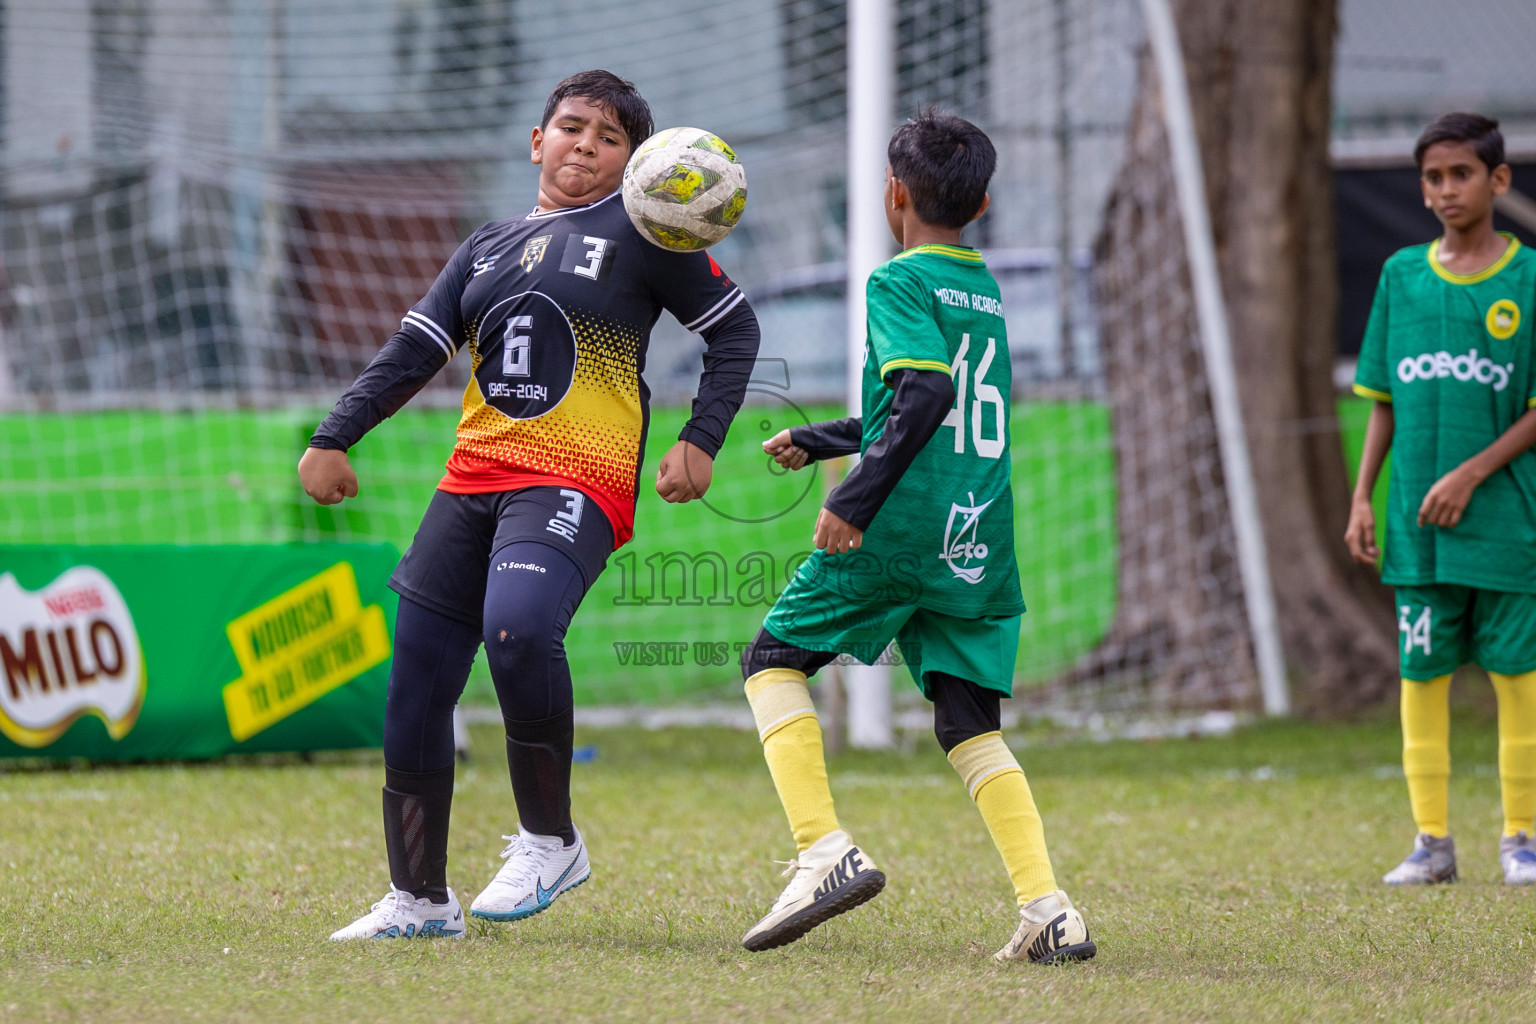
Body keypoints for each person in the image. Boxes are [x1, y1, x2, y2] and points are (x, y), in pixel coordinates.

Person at [304, 70, 760, 939]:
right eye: (572, 126)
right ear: (537, 141)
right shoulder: (485, 245)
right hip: (471, 479)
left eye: (610, 136)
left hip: (574, 478)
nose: (586, 143)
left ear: (635, 162)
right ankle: (419, 900)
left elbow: (734, 330)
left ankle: (552, 839)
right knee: (414, 689)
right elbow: (413, 351)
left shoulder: (650, 227)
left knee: (516, 629)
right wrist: (334, 435)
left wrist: (702, 437)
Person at [736, 109, 1095, 963]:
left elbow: (926, 396)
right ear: (983, 204)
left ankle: (824, 850)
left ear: (893, 192)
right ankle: (1049, 910)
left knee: (771, 663)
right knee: (968, 723)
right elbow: (934, 400)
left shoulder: (898, 281)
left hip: (903, 526)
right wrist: (827, 438)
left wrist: (854, 497)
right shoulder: (985, 287)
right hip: (977, 531)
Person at [1346, 112, 1536, 886]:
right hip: (1414, 527)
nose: (1446, 189)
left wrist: (1470, 474)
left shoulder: (1528, 280)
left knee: (1516, 677)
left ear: (1499, 180)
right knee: (1419, 677)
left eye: (1462, 174)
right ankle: (1432, 842)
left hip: (1503, 521)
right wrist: (1362, 497)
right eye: (1433, 176)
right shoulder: (1401, 276)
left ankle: (1521, 838)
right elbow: (1382, 399)